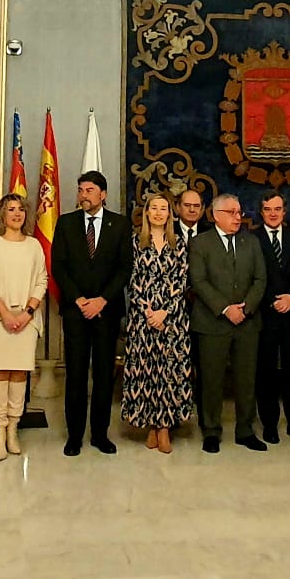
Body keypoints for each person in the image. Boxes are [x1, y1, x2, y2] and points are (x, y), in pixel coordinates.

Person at [51, 171, 132, 455]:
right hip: (76, 311)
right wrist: (80, 299)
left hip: (106, 312)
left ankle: (100, 434)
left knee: (103, 375)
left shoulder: (119, 224)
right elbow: (58, 266)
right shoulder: (66, 223)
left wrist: (102, 300)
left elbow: (124, 268)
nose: (83, 195)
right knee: (75, 375)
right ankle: (74, 436)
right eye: (80, 189)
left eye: (89, 190)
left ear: (103, 194)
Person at [0, 194, 47, 460]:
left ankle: (13, 429)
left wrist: (27, 313)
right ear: (2, 214)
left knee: (18, 374)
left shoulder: (34, 245)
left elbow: (42, 280)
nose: (16, 214)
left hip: (26, 319)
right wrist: (4, 313)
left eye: (21, 209)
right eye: (11, 209)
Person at [189, 193, 267, 453]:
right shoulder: (200, 243)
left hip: (247, 322)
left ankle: (245, 430)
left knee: (246, 379)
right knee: (211, 380)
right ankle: (211, 430)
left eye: (239, 212)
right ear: (216, 215)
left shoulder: (251, 242)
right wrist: (225, 308)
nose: (237, 217)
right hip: (212, 323)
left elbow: (260, 279)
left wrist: (246, 307)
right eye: (231, 212)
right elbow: (199, 281)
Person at [123, 193, 193, 453]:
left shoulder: (179, 244)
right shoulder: (135, 243)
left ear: (170, 214)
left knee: (169, 373)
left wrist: (165, 312)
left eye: (164, 208)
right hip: (143, 319)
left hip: (172, 320)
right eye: (154, 208)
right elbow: (132, 280)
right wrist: (149, 312)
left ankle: (164, 428)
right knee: (147, 373)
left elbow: (182, 281)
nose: (159, 213)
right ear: (147, 213)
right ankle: (151, 425)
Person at [254, 190, 290, 444]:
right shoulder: (251, 239)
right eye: (268, 209)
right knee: (265, 373)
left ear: (284, 212)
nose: (273, 214)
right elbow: (250, 276)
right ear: (261, 212)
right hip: (264, 315)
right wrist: (271, 301)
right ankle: (270, 424)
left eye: (277, 209)